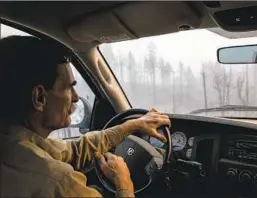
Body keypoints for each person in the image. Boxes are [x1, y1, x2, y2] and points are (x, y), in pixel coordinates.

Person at [0, 36, 171, 197]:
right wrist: (123, 182)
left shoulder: (15, 142)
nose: (75, 97)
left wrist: (131, 126)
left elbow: (73, 151)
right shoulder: (58, 181)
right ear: (39, 98)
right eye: (69, 87)